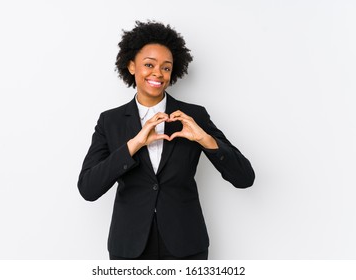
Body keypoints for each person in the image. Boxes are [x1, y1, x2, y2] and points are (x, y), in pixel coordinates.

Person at [77, 21, 255, 260]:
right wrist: (134, 144)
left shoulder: (194, 116)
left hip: (186, 246)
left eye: (166, 67)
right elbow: (88, 188)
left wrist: (205, 139)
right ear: (131, 66)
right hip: (129, 248)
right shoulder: (110, 121)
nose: (158, 73)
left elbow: (244, 178)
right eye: (149, 65)